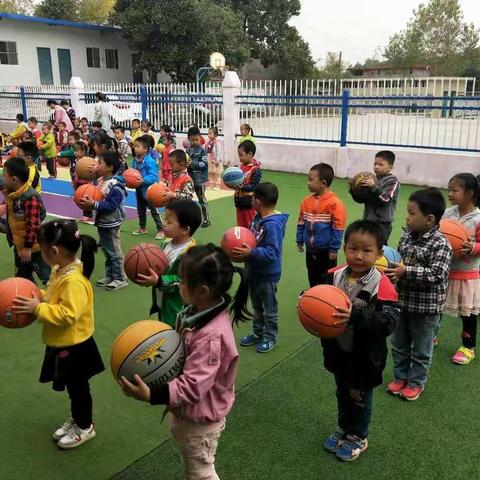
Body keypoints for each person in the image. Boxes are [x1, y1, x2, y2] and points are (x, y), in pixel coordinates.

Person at [120, 244, 250, 480]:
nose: (177, 284)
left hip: (200, 422)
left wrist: (152, 394)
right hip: (189, 414)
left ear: (201, 290)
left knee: (201, 473)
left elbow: (194, 385)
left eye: (181, 281)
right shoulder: (199, 309)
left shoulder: (211, 337)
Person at [12, 219, 104, 449]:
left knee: (79, 388)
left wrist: (38, 309)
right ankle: (78, 418)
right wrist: (39, 295)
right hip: (64, 342)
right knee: (74, 388)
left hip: (75, 346)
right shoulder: (60, 269)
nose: (41, 254)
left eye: (41, 250)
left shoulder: (73, 280)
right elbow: (55, 296)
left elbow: (67, 314)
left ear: (52, 251)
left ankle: (85, 427)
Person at [321, 220, 400, 462]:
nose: (358, 255)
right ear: (345, 248)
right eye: (353, 248)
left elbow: (389, 322)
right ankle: (344, 428)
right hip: (337, 350)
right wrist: (308, 301)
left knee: (360, 397)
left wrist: (356, 314)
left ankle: (359, 436)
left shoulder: (382, 283)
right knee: (342, 391)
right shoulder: (334, 275)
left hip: (365, 356)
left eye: (367, 250)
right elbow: (321, 300)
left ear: (379, 253)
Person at [386, 188, 452, 401]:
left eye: (412, 213)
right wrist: (393, 271)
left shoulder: (441, 243)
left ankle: (416, 382)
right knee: (399, 344)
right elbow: (399, 260)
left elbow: (437, 274)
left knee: (422, 349)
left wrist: (406, 271)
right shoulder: (407, 236)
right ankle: (400, 377)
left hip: (426, 309)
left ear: (430, 219)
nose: (407, 217)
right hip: (402, 303)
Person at [236, 182, 289, 353]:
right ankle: (258, 333)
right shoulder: (258, 217)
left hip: (267, 274)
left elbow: (272, 253)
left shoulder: (272, 224)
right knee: (257, 306)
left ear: (258, 201)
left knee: (269, 309)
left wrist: (251, 253)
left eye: (252, 199)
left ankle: (270, 337)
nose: (250, 202)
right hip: (253, 270)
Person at [137, 199, 202, 327]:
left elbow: (182, 281)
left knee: (175, 337)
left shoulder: (190, 254)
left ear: (185, 229)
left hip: (177, 309)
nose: (164, 223)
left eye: (169, 221)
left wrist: (159, 281)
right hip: (163, 302)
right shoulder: (166, 243)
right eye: (165, 219)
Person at [441, 173, 480, 364]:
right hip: (445, 270)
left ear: (470, 193)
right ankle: (429, 336)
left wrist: (473, 247)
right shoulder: (448, 214)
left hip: (467, 274)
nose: (450, 193)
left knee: (468, 314)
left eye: (455, 190)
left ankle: (468, 347)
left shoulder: (478, 218)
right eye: (449, 189)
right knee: (436, 308)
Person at [79, 151, 128, 291]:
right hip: (103, 222)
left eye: (99, 163)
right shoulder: (102, 180)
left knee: (114, 251)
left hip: (111, 223)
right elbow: (93, 185)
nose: (96, 165)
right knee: (107, 251)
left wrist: (93, 204)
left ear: (109, 168)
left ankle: (120, 278)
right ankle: (110, 275)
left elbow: (112, 206)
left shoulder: (115, 186)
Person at [297, 163, 347, 287]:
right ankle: (314, 299)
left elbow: (338, 228)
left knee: (328, 279)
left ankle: (326, 301)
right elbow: (301, 222)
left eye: (311, 179)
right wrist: (299, 239)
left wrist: (334, 249)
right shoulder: (306, 201)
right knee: (312, 276)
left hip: (327, 251)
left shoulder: (335, 203)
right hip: (310, 250)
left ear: (323, 183)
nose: (308, 183)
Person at [2, 157, 51, 285]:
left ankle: (57, 299)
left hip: (34, 249)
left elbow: (33, 224)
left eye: (4, 176)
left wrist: (28, 248)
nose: (2, 179)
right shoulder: (12, 193)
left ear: (13, 179)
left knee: (48, 277)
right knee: (22, 278)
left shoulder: (29, 197)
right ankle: (29, 297)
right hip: (19, 246)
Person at [349, 150, 399, 244]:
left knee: (379, 247)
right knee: (366, 245)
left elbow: (385, 199)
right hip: (368, 221)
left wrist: (373, 187)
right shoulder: (371, 179)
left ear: (390, 167)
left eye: (381, 164)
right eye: (375, 163)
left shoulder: (392, 181)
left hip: (382, 224)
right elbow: (361, 200)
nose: (376, 167)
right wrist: (353, 190)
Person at [131, 136, 165, 239]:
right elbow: (132, 173)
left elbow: (154, 176)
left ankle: (161, 229)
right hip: (139, 189)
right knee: (140, 209)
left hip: (150, 190)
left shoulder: (149, 161)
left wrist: (143, 180)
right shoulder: (135, 160)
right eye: (134, 146)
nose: (135, 148)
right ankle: (142, 227)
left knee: (154, 210)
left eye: (137, 146)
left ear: (145, 149)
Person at [186, 126, 210, 228]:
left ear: (200, 138)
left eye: (197, 139)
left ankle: (206, 219)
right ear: (188, 139)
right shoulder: (188, 150)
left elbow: (203, 164)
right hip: (189, 179)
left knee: (202, 200)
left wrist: (192, 163)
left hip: (200, 180)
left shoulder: (202, 151)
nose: (195, 142)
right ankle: (190, 219)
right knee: (188, 199)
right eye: (192, 140)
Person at [234, 140, 262, 228]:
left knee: (250, 224)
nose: (239, 158)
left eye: (241, 155)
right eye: (238, 155)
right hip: (239, 201)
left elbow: (254, 187)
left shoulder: (255, 169)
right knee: (240, 224)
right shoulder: (241, 166)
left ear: (250, 154)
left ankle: (251, 240)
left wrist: (243, 187)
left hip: (249, 202)